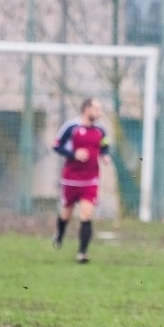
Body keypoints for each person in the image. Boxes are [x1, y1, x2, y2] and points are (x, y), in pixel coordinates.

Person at [52, 98, 111, 264]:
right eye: (97, 109)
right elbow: (56, 145)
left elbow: (105, 145)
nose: (99, 112)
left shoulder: (101, 131)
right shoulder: (71, 127)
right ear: (86, 109)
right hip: (71, 179)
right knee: (66, 214)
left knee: (87, 214)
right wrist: (74, 154)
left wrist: (105, 155)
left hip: (91, 179)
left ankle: (82, 253)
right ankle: (59, 233)